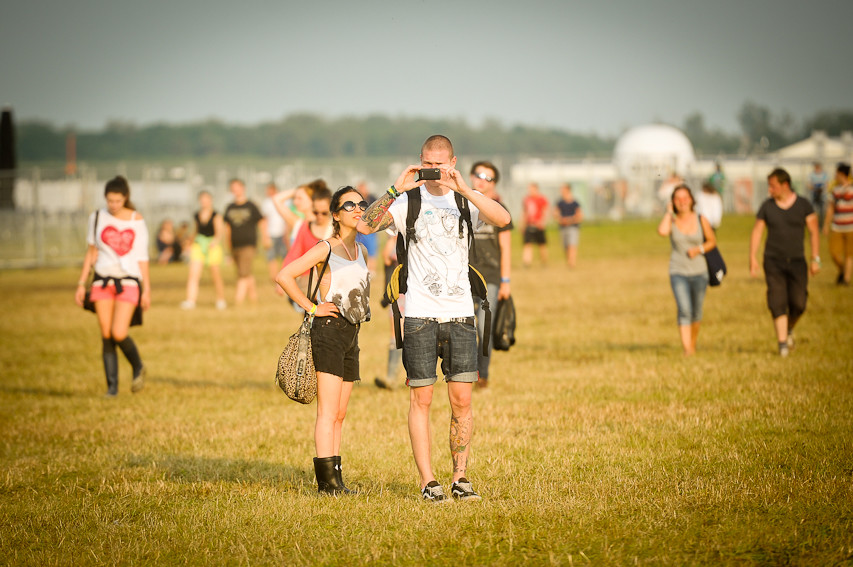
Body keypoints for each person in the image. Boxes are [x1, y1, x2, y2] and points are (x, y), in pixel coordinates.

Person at [357, 135, 511, 503]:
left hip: (460, 314)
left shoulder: (465, 199)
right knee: (420, 400)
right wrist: (397, 186)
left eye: (441, 164)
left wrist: (466, 189)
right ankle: (428, 482)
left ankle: (460, 477)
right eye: (428, 162)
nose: (434, 171)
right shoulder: (406, 200)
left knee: (462, 400)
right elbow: (365, 225)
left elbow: (503, 219)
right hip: (420, 315)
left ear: (453, 162)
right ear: (419, 160)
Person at [275, 186, 371, 495]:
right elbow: (285, 275)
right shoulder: (326, 247)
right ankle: (326, 484)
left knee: (340, 413)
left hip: (351, 333)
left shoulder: (363, 251)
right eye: (350, 205)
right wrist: (313, 307)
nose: (358, 209)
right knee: (327, 412)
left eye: (362, 204)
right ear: (335, 214)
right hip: (328, 330)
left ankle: (337, 480)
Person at [74, 176, 150, 396]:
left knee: (119, 332)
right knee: (106, 333)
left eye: (117, 201)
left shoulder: (136, 220)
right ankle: (112, 387)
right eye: (110, 201)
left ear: (125, 198)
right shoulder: (97, 217)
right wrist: (81, 283)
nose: (113, 205)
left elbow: (142, 258)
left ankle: (138, 366)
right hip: (101, 280)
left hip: (128, 281)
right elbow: (91, 253)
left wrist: (147, 289)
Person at [749, 168, 821, 357]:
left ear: (785, 185)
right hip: (773, 260)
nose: (769, 190)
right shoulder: (767, 206)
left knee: (799, 303)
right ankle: (782, 344)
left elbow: (814, 231)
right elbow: (757, 231)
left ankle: (788, 328)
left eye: (773, 186)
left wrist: (815, 258)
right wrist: (752, 257)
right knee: (777, 301)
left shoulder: (803, 205)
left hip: (797, 260)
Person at [657, 184, 717, 356]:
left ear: (691, 200)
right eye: (678, 199)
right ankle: (687, 349)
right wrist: (669, 212)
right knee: (684, 309)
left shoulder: (701, 219)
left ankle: (692, 343)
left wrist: (699, 250)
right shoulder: (672, 220)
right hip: (678, 271)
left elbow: (712, 241)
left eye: (685, 198)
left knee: (696, 311)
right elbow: (662, 231)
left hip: (700, 271)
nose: (682, 202)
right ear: (673, 202)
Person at [468, 161, 512, 388]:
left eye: (488, 178)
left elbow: (505, 248)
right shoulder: (462, 205)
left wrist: (506, 281)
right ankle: (465, 371)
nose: (481, 180)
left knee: (484, 326)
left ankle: (482, 374)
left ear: (494, 184)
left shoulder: (498, 210)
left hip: (491, 277)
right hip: (465, 275)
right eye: (478, 175)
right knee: (464, 326)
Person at [279, 186, 334, 298]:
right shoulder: (303, 226)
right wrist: (283, 275)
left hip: (330, 279)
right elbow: (294, 253)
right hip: (307, 280)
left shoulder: (335, 229)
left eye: (323, 213)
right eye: (316, 212)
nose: (319, 216)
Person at [223, 179, 267, 305]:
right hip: (235, 244)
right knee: (245, 272)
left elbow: (261, 222)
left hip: (249, 244)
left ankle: (238, 301)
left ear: (243, 188)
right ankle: (253, 297)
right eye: (233, 188)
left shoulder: (251, 205)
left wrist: (265, 238)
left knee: (243, 274)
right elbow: (227, 228)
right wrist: (228, 245)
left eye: (237, 187)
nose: (235, 190)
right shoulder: (229, 207)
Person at [181, 190, 227, 310]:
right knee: (193, 274)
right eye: (202, 199)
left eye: (206, 199)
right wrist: (189, 243)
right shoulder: (196, 215)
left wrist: (214, 243)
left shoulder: (216, 215)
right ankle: (190, 300)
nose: (204, 202)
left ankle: (221, 300)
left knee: (215, 274)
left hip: (212, 246)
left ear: (210, 200)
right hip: (198, 245)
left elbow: (219, 233)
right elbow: (195, 231)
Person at [373, 229, 405, 390]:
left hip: (413, 294)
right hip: (397, 295)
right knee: (396, 334)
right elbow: (386, 258)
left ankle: (414, 376)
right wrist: (392, 239)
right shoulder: (393, 240)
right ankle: (391, 377)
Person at [824, 162, 853, 285]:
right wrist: (826, 224)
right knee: (834, 252)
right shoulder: (835, 190)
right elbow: (831, 208)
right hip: (837, 226)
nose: (835, 175)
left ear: (842, 174)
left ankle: (846, 279)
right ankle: (843, 270)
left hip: (851, 226)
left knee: (849, 254)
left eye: (837, 173)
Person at [261, 182, 288, 288]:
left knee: (284, 255)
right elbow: (264, 220)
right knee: (271, 256)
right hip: (270, 233)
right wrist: (265, 235)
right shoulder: (266, 203)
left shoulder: (284, 202)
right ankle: (273, 277)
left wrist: (286, 233)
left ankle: (282, 275)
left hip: (281, 233)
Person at [554, 182, 583, 268]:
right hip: (563, 227)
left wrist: (570, 220)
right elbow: (555, 214)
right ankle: (569, 261)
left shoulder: (575, 203)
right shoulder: (560, 203)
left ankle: (572, 263)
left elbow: (580, 216)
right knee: (566, 246)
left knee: (572, 245)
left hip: (573, 227)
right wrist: (561, 220)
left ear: (568, 190)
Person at [522, 182, 549, 267]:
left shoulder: (541, 199)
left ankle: (544, 261)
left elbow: (546, 211)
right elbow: (524, 213)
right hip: (530, 225)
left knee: (541, 245)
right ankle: (527, 262)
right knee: (528, 244)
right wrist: (522, 224)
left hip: (539, 225)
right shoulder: (527, 199)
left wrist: (542, 222)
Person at [354, 180, 379, 275]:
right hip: (358, 229)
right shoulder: (356, 200)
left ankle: (371, 271)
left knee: (371, 251)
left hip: (371, 229)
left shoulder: (372, 198)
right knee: (358, 250)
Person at [808, 162, 829, 229]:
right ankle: (812, 224)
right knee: (813, 210)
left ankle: (821, 225)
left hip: (822, 196)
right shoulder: (811, 175)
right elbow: (808, 184)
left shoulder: (824, 175)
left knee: (822, 211)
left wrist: (822, 189)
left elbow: (827, 184)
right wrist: (815, 189)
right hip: (814, 195)